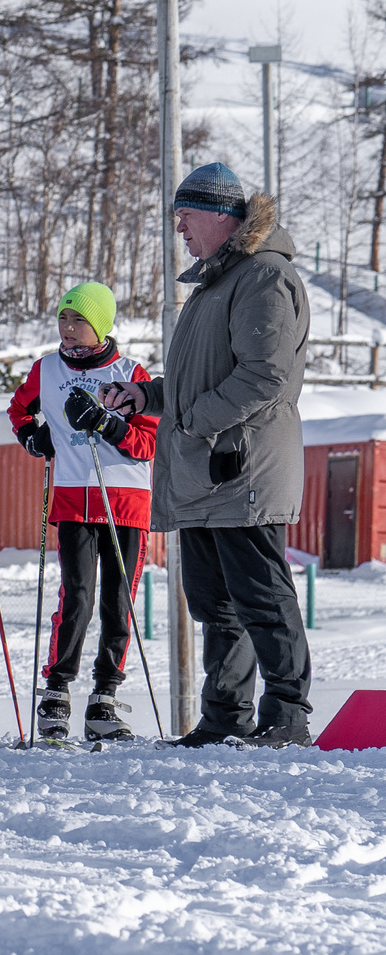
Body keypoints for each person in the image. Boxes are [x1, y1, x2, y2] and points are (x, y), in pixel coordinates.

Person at [101, 164, 313, 746]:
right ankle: (224, 718)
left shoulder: (264, 277)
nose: (180, 230)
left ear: (222, 216)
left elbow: (265, 377)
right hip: (203, 473)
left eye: (186, 217)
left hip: (242, 468)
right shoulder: (214, 285)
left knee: (261, 597)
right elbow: (200, 380)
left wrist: (192, 421)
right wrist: (146, 394)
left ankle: (288, 716)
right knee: (214, 604)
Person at [10, 282, 159, 744]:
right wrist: (33, 437)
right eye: (63, 319)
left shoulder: (131, 371)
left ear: (102, 327)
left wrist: (106, 423)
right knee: (76, 597)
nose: (69, 329)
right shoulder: (47, 369)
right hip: (75, 497)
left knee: (119, 604)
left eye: (79, 321)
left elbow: (148, 443)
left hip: (126, 502)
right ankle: (56, 691)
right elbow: (19, 410)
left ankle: (105, 697)